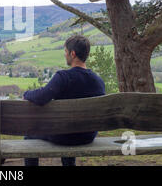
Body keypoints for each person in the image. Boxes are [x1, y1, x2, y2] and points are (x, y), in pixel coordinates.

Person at [23, 35, 105, 166]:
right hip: (88, 136)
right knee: (69, 129)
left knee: (29, 135)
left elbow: (42, 96)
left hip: (62, 136)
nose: (65, 55)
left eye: (65, 52)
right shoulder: (98, 81)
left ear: (73, 54)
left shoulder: (63, 77)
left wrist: (26, 94)